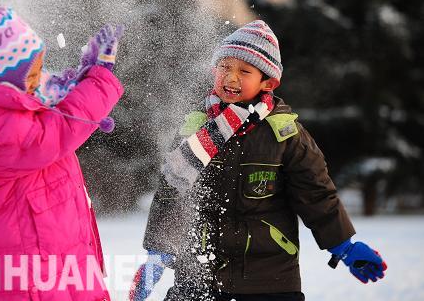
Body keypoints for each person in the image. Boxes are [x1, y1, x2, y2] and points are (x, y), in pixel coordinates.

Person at [130, 20, 387, 301]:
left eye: (244, 71)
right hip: (198, 276)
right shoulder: (197, 127)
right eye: (225, 67)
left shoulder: (285, 133)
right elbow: (172, 191)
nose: (231, 78)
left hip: (268, 279)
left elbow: (315, 193)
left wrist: (344, 245)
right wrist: (158, 250)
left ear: (268, 82)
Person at [0, 0, 124, 301]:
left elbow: (48, 93)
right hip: (25, 281)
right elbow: (61, 128)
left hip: (47, 266)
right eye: (31, 75)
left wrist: (83, 72)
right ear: (2, 80)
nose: (39, 80)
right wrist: (100, 79)